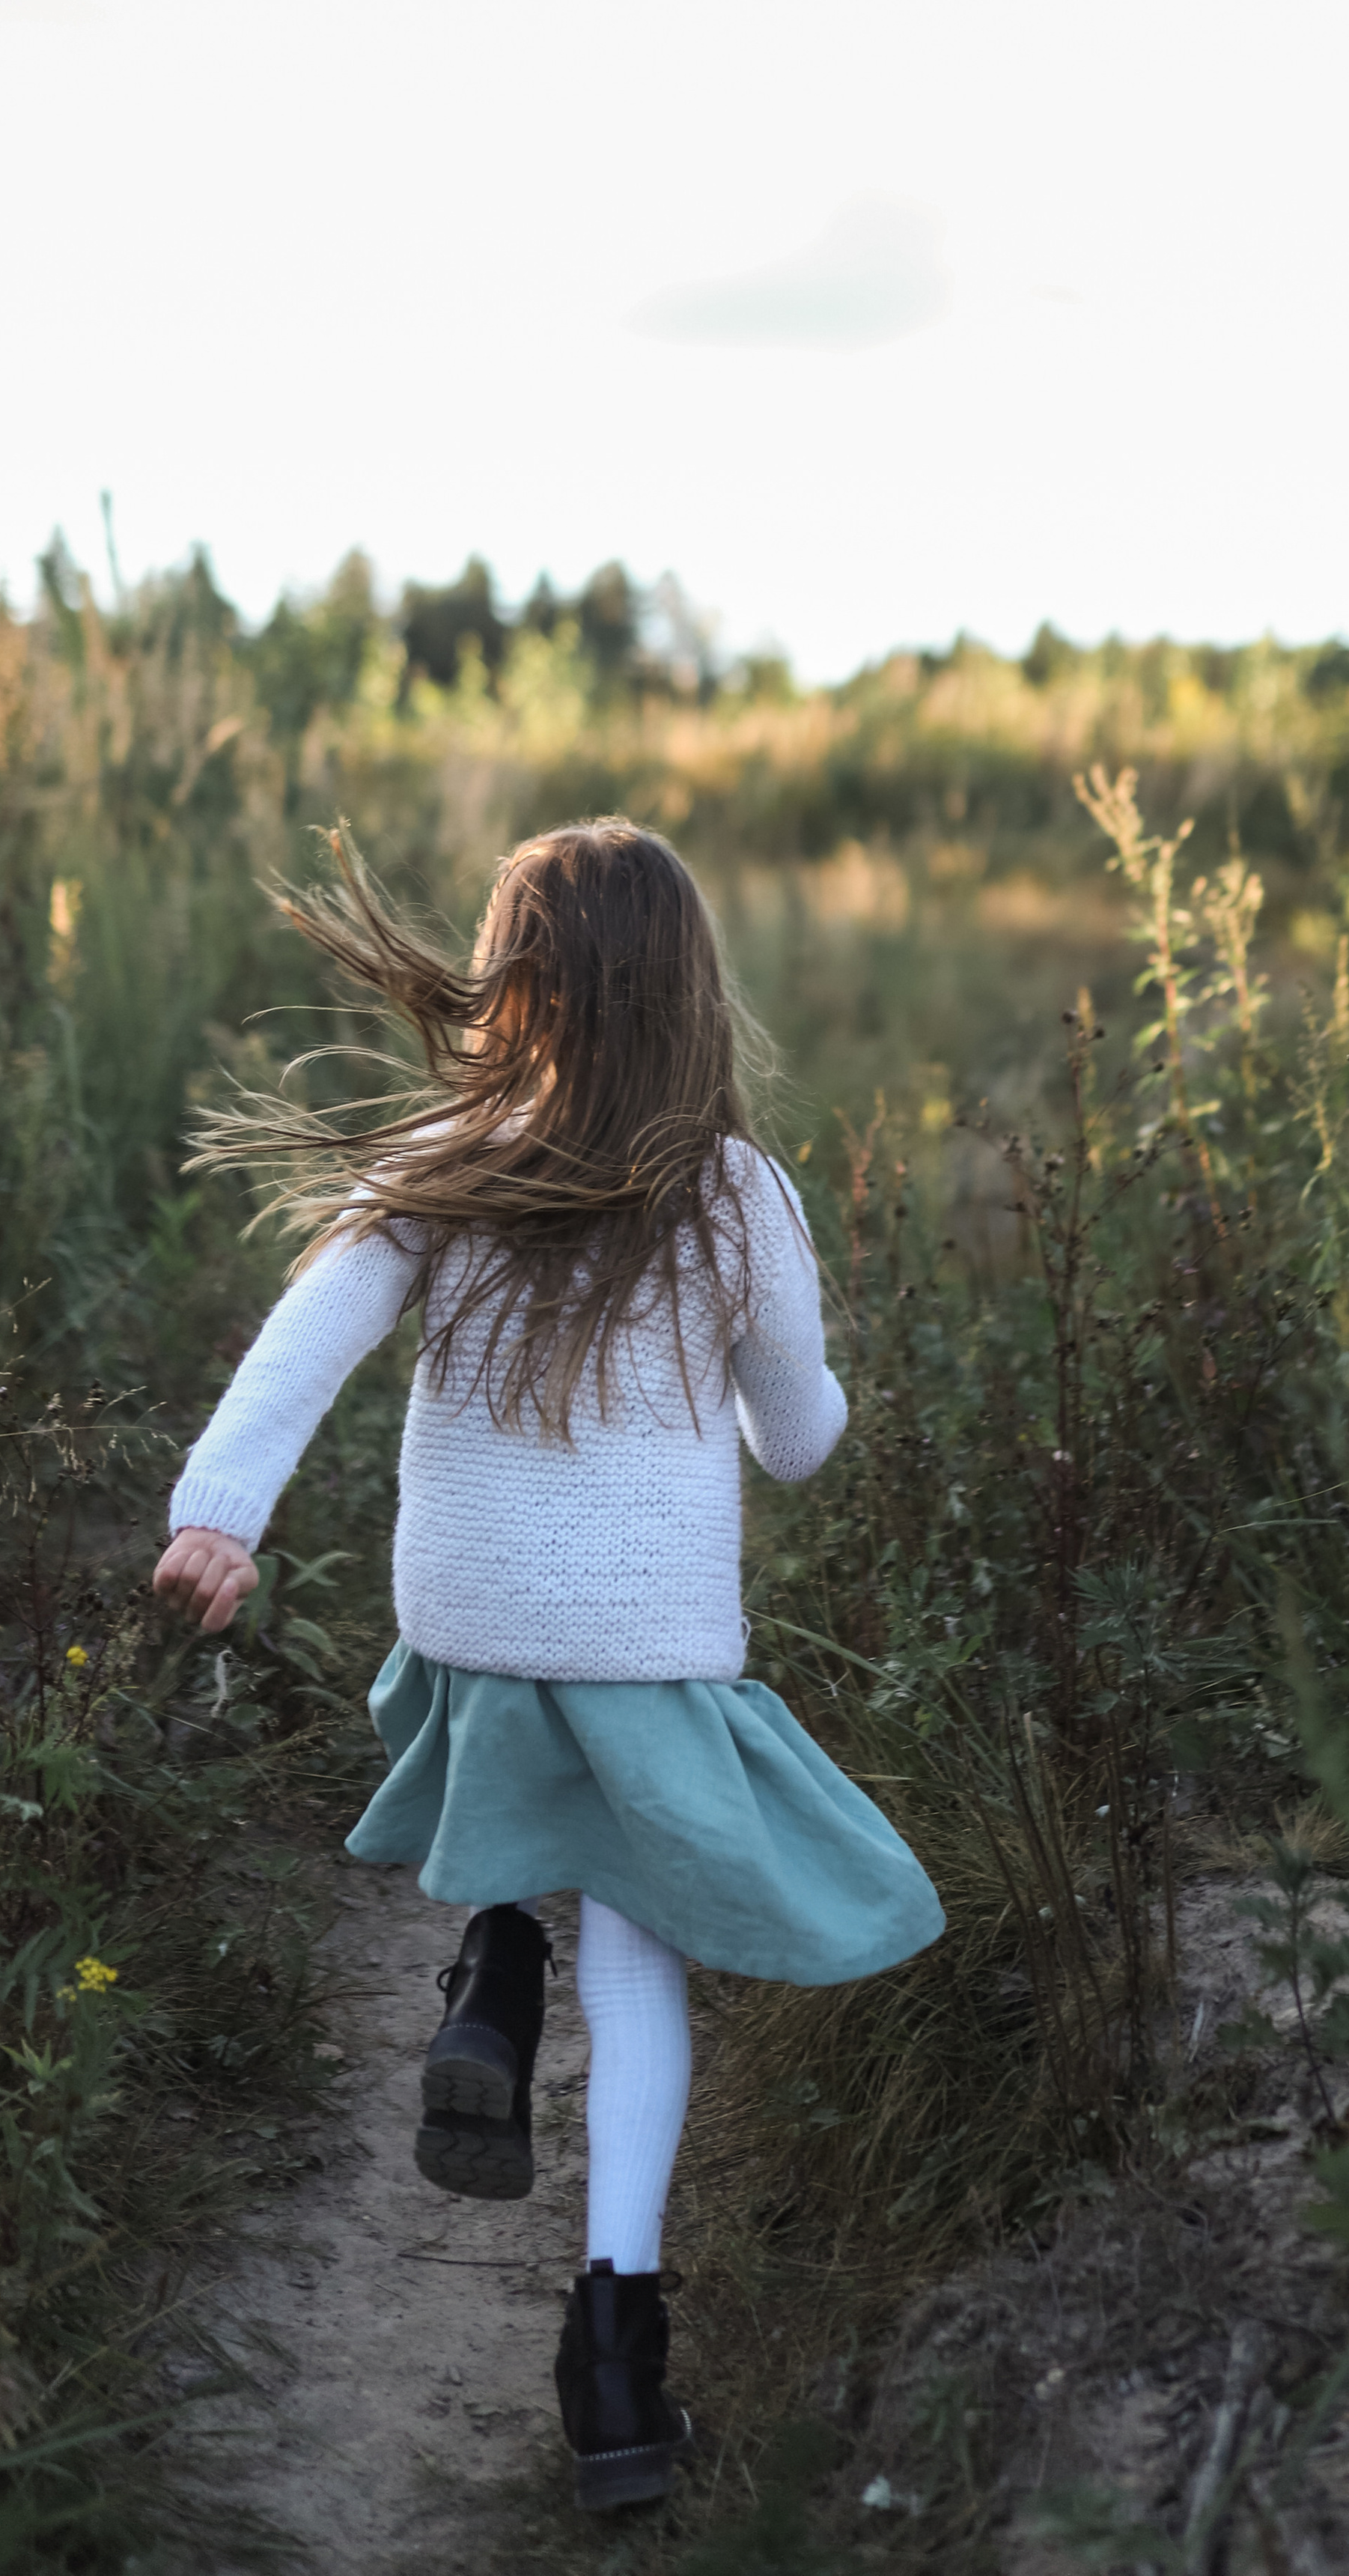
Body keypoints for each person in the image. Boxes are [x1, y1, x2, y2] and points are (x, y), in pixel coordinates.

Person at [152, 819, 944, 2513]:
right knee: (641, 1967)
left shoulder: (451, 1153)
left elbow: (305, 1343)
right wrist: (771, 1371)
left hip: (472, 1621)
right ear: (690, 988)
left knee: (523, 1789)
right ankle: (614, 2359)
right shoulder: (736, 1191)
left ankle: (490, 1975)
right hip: (642, 1642)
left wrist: (218, 1515)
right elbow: (798, 1443)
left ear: (515, 983)